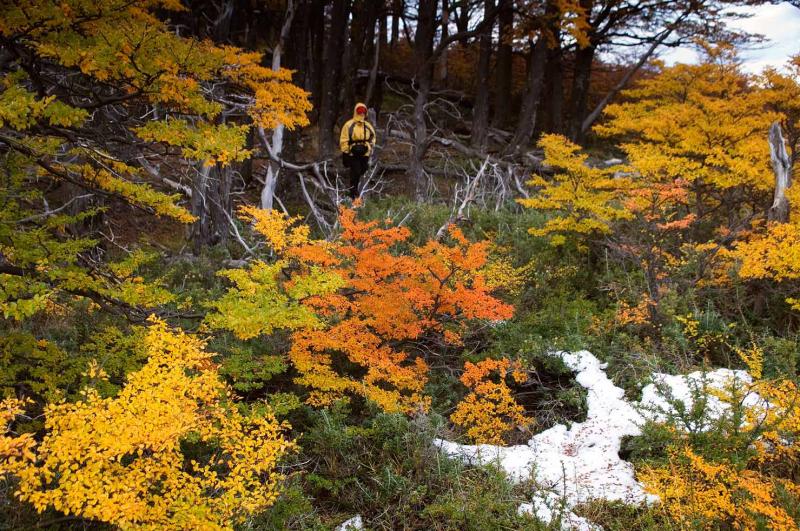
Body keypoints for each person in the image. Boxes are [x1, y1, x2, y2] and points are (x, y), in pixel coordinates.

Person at [339, 102, 377, 199]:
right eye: (359, 112)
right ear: (356, 112)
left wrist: (368, 148)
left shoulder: (367, 126)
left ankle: (360, 190)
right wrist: (348, 151)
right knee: (355, 171)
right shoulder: (348, 125)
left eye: (363, 112)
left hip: (364, 153)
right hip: (352, 153)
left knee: (363, 170)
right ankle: (353, 192)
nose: (361, 114)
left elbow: (373, 138)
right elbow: (343, 140)